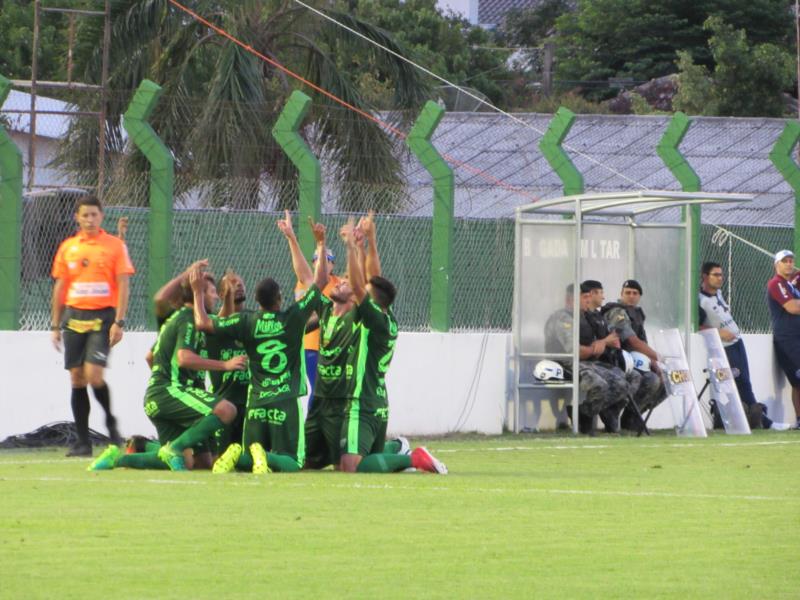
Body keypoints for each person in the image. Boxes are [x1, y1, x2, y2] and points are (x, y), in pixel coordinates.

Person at [198, 212, 328, 474]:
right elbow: (318, 281)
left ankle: (238, 455)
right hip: (285, 401)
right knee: (293, 462)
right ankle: (263, 457)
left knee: (247, 460)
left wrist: (196, 293)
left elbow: (205, 324)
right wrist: (314, 243)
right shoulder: (293, 319)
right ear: (280, 298)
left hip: (256, 404)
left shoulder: (247, 322)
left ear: (256, 300)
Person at [88, 270, 247, 471]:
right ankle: (173, 448)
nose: (215, 297)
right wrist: (224, 365)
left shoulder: (187, 320)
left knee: (199, 463)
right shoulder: (185, 319)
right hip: (170, 392)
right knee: (226, 410)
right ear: (199, 293)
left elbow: (150, 356)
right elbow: (184, 358)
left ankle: (122, 457)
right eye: (212, 292)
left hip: (166, 394)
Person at [337, 217, 446, 474]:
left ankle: (413, 459)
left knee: (350, 466)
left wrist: (352, 248)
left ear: (373, 300)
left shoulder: (374, 317)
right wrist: (370, 242)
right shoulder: (386, 315)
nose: (359, 290)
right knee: (364, 457)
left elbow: (357, 283)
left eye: (365, 292)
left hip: (361, 401)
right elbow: (374, 278)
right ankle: (397, 448)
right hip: (377, 402)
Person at [50, 196, 135, 457]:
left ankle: (110, 422)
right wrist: (55, 324)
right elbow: (61, 287)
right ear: (77, 217)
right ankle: (83, 442)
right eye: (84, 215)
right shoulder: (68, 247)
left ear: (101, 216)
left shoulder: (114, 246)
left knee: (94, 375)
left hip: (103, 317)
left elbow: (123, 285)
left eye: (94, 215)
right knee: (76, 378)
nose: (89, 220)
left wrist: (119, 322)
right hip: (74, 317)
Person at [699, 262, 789, 430]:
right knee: (739, 384)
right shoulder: (701, 300)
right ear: (705, 276)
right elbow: (698, 326)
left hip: (737, 342)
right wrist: (718, 332)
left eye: (721, 275)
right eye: (715, 275)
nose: (720, 278)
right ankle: (766, 423)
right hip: (725, 347)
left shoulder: (717, 293)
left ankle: (755, 419)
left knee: (745, 382)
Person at [602, 279, 666, 431]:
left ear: (639, 296)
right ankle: (616, 415)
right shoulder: (617, 312)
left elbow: (642, 343)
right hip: (615, 361)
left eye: (635, 293)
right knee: (649, 379)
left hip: (635, 362)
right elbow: (632, 341)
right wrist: (659, 356)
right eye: (627, 293)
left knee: (666, 380)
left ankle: (632, 417)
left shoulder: (637, 314)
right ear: (621, 294)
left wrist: (656, 365)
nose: (631, 296)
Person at [579, 281, 635, 433]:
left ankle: (613, 415)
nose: (603, 297)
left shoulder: (598, 316)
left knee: (628, 380)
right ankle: (583, 415)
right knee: (609, 383)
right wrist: (605, 342)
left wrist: (607, 342)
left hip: (602, 360)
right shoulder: (582, 317)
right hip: (589, 361)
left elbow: (612, 340)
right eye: (601, 293)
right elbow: (595, 346)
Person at [295, 247, 341, 412]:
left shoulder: (339, 283)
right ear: (313, 263)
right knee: (317, 388)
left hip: (332, 346)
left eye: (327, 260)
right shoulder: (305, 283)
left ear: (333, 264)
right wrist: (328, 313)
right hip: (312, 345)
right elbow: (307, 312)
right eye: (318, 260)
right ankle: (312, 425)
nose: (322, 263)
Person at [766, 250, 800, 429]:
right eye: (784, 261)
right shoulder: (776, 283)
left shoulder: (790, 285)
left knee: (797, 383)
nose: (789, 264)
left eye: (791, 260)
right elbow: (792, 307)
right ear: (776, 264)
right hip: (788, 339)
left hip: (796, 337)